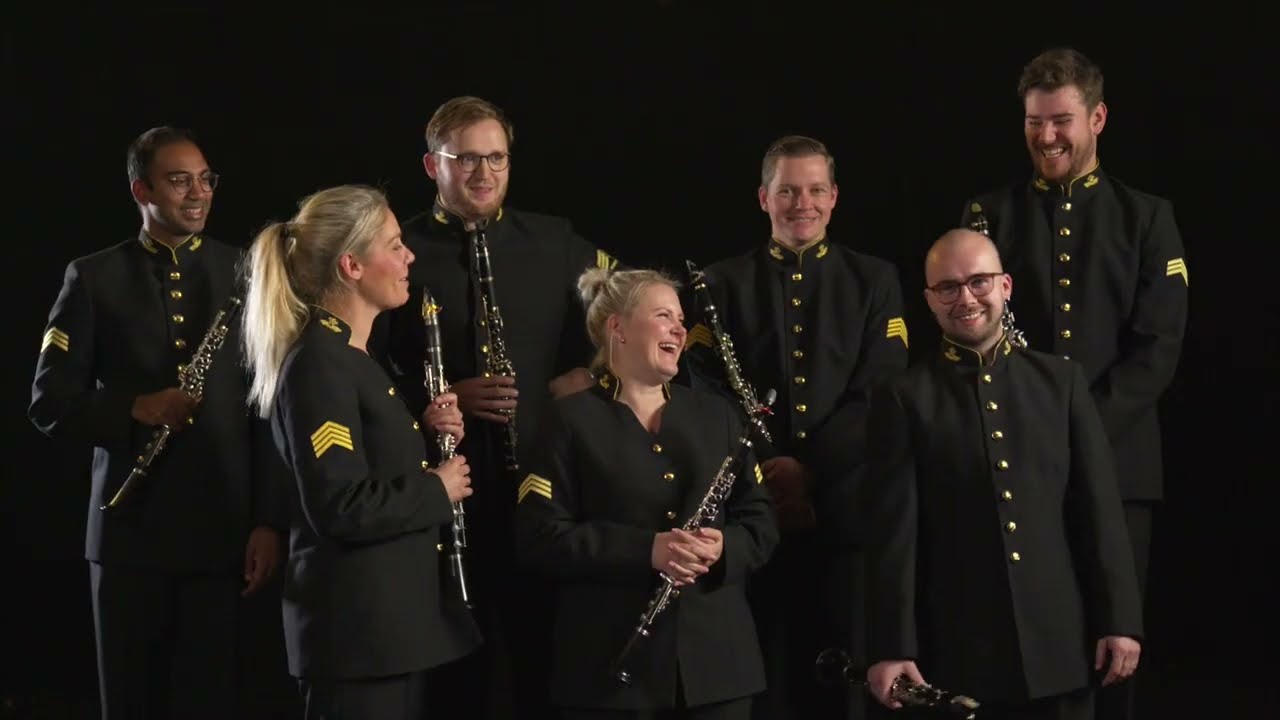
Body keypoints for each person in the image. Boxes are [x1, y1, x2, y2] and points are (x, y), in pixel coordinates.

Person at [370, 95, 620, 718]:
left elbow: (633, 309)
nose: (484, 174)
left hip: (543, 487)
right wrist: (443, 393)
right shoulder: (398, 247)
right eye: (467, 159)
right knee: (457, 674)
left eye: (497, 159)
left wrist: (583, 379)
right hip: (440, 492)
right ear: (433, 165)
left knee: (548, 664)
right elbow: (360, 365)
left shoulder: (554, 239)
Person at [959, 47, 1189, 720]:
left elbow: (1157, 350)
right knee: (1020, 643)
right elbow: (973, 335)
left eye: (1061, 120)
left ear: (1098, 117)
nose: (1047, 136)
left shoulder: (1147, 218)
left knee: (1113, 648)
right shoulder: (987, 214)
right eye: (1034, 122)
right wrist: (1037, 435)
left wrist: (1076, 430)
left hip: (1120, 467)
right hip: (1016, 463)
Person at [28, 126, 287, 719]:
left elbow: (271, 409)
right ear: (140, 188)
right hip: (129, 540)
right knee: (130, 703)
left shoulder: (247, 273)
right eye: (178, 180)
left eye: (205, 179)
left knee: (214, 701)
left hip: (225, 534)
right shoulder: (93, 278)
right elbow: (48, 403)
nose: (197, 192)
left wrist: (270, 520)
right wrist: (135, 407)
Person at [862, 229, 1143, 720]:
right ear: (929, 300)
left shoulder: (1062, 382)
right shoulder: (905, 396)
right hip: (958, 650)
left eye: (978, 282)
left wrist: (1119, 619)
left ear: (1006, 285)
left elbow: (1098, 512)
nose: (965, 298)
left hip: (1065, 647)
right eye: (947, 287)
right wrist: (891, 645)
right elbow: (894, 536)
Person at [679, 135, 909, 720]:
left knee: (839, 675)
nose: (800, 203)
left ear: (834, 198)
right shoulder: (719, 283)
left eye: (813, 190)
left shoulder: (874, 279)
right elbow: (707, 391)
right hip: (751, 507)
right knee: (755, 672)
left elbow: (879, 393)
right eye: (787, 191)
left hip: (843, 505)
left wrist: (807, 470)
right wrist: (766, 470)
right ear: (763, 198)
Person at [240, 183, 481, 719]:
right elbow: (340, 505)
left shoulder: (353, 356)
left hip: (386, 635)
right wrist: (436, 487)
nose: (408, 256)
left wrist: (419, 432)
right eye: (395, 245)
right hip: (357, 638)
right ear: (351, 265)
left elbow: (362, 463)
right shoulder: (320, 363)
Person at [514, 266, 779, 719]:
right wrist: (646, 550)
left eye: (679, 318)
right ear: (616, 327)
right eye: (663, 316)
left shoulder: (720, 416)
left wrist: (724, 547)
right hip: (610, 672)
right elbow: (540, 537)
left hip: (718, 669)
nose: (679, 328)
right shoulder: (566, 421)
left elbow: (760, 523)